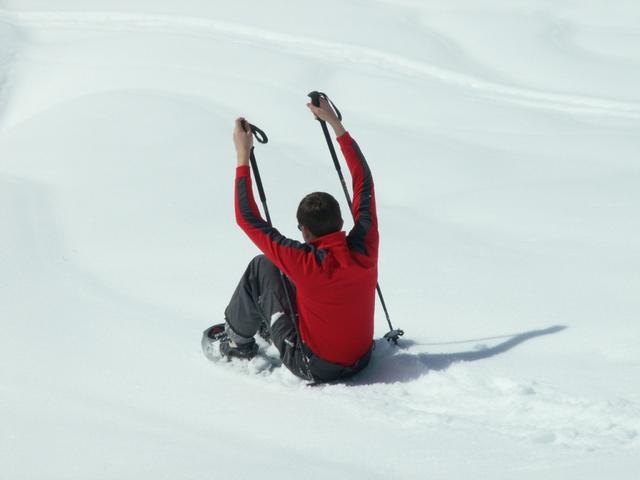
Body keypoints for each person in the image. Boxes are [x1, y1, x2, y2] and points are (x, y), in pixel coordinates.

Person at [206, 98, 378, 383]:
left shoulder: (304, 261)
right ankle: (272, 323)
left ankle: (236, 343)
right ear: (340, 223)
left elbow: (247, 218)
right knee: (286, 275)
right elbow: (364, 181)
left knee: (262, 267)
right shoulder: (365, 246)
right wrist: (335, 124)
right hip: (362, 358)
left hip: (315, 366)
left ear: (306, 232)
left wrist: (242, 155)